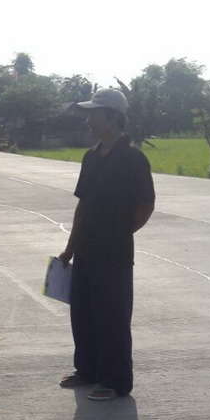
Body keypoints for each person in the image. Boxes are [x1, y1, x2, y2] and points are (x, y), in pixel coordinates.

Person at [58, 88, 155, 401]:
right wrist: (70, 247)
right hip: (85, 250)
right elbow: (83, 205)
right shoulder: (91, 157)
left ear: (113, 117)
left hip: (114, 253)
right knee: (83, 313)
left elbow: (146, 205)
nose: (89, 121)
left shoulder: (133, 159)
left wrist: (120, 232)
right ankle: (87, 370)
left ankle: (115, 381)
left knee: (112, 317)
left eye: (94, 114)